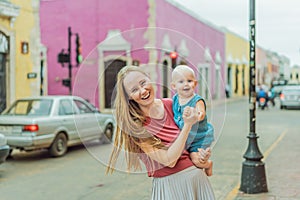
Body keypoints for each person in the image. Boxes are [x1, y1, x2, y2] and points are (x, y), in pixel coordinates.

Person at [107, 65, 215, 200]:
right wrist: (188, 125)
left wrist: (202, 155)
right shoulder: (136, 126)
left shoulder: (172, 104)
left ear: (149, 79)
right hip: (170, 188)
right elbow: (169, 161)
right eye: (134, 90)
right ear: (129, 97)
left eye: (143, 82)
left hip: (197, 181)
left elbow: (194, 137)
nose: (143, 90)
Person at [171, 65, 214, 176]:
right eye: (181, 81)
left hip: (198, 137)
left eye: (189, 81)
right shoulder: (175, 99)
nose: (186, 84)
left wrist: (196, 115)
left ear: (195, 84)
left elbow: (201, 112)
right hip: (185, 137)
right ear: (174, 86)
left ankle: (208, 164)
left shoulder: (197, 100)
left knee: (195, 160)